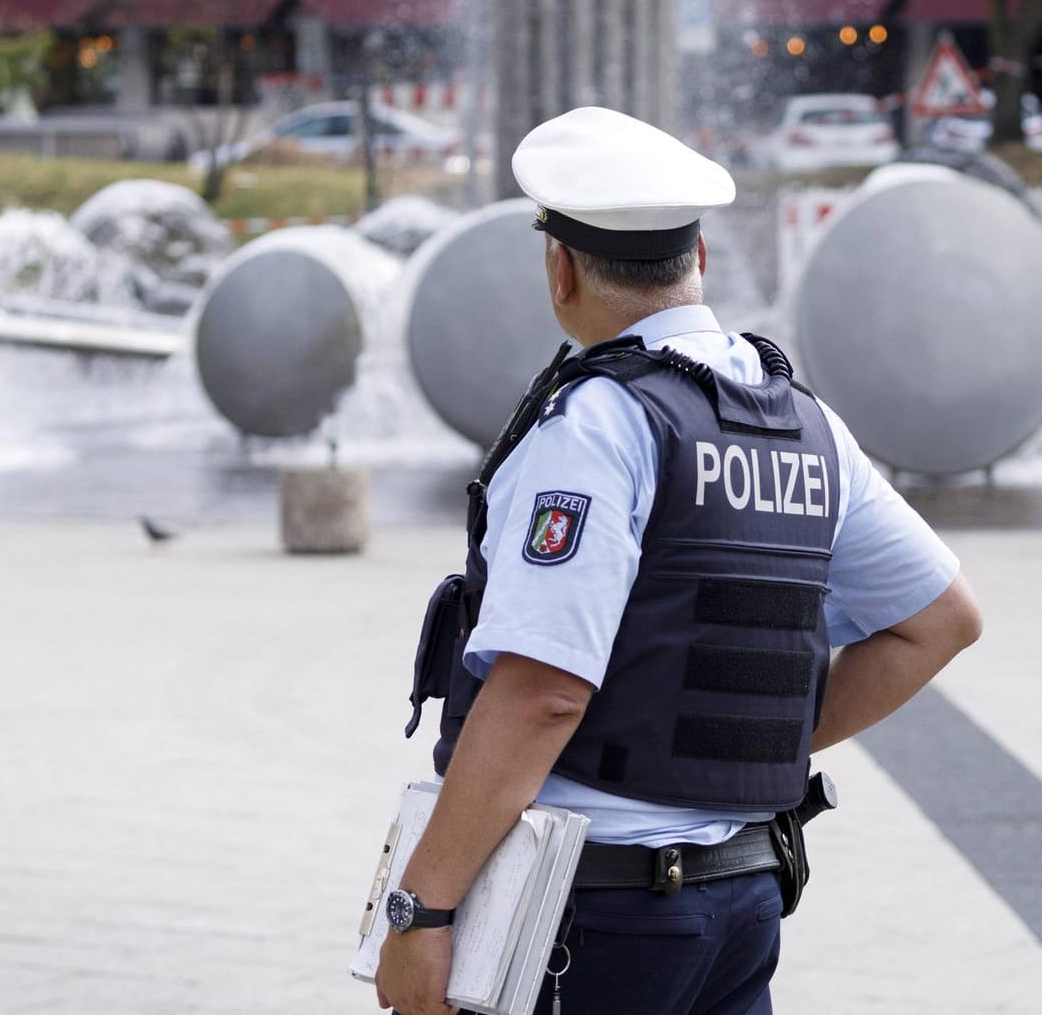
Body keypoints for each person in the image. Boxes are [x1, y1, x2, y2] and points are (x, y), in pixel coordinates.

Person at [375, 106, 983, 1015]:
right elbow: (941, 621)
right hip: (740, 899)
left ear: (561, 266)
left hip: (596, 913)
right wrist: (739, 750)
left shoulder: (599, 424)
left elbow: (545, 689)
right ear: (698, 260)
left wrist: (420, 910)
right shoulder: (801, 422)